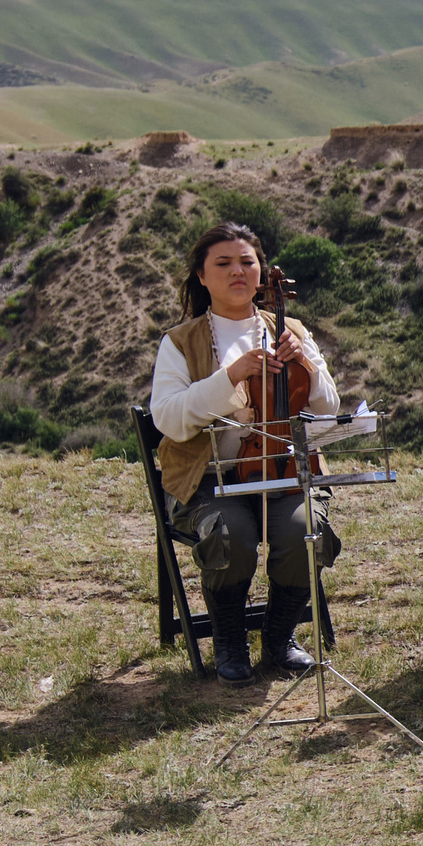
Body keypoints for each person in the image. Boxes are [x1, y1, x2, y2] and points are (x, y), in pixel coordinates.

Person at [149, 222, 343, 685]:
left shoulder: (289, 329)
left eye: (247, 262)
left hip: (282, 475)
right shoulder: (181, 342)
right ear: (201, 275)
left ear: (262, 272)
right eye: (224, 263)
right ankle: (230, 640)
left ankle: (279, 638)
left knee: (306, 534)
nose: (238, 271)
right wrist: (230, 375)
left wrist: (307, 367)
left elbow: (329, 409)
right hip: (209, 482)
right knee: (229, 532)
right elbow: (169, 418)